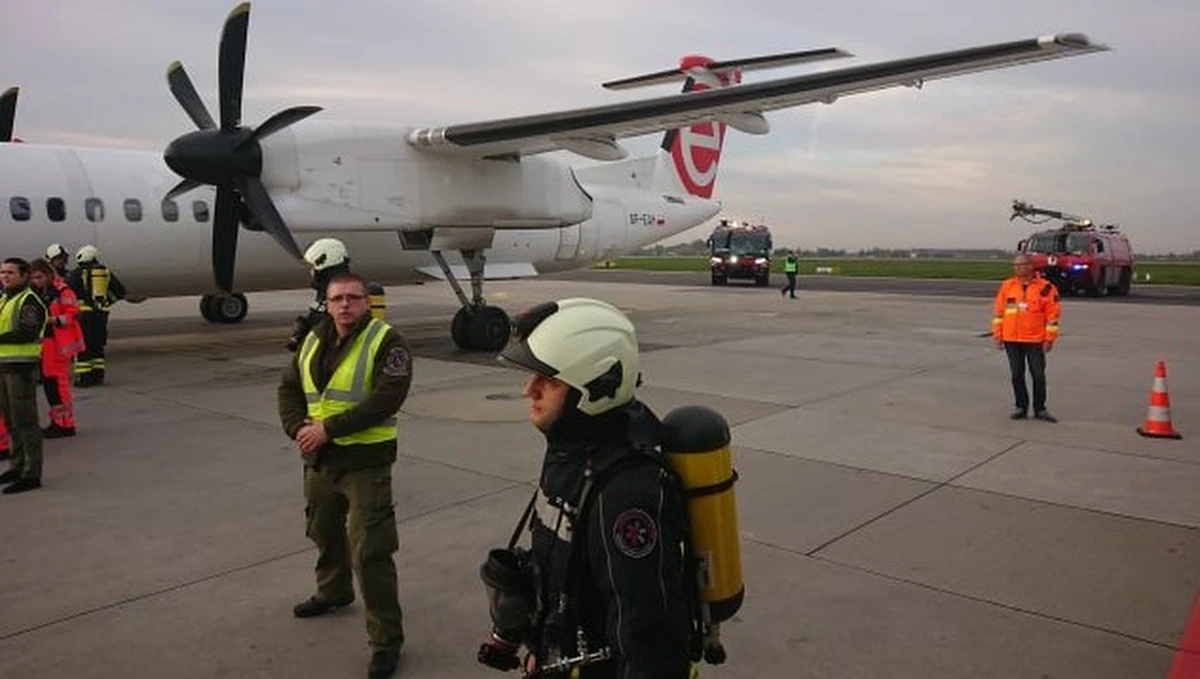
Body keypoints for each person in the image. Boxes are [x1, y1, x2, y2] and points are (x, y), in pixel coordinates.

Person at [480, 297, 693, 678]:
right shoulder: (572, 452)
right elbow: (562, 558)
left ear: (594, 386)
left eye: (548, 380)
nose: (530, 390)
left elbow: (645, 629)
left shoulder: (625, 492)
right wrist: (540, 645)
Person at [276, 271, 412, 679]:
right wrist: (297, 427)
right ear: (328, 303)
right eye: (338, 299)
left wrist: (327, 429)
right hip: (320, 460)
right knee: (322, 530)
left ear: (366, 302)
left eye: (354, 297)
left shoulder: (388, 342)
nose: (345, 305)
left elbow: (388, 397)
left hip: (365, 463)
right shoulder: (313, 339)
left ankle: (386, 641)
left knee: (371, 550)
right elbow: (288, 387)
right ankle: (333, 591)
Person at [0, 257, 48, 494]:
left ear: (25, 275)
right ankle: (17, 465)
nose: (5, 276)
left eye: (10, 272)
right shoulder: (5, 299)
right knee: (11, 421)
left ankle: (32, 473)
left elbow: (26, 332)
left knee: (25, 422)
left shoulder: (29, 300)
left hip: (21, 368)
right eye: (2, 272)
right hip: (5, 367)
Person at [993, 254, 1060, 422]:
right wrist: (998, 335)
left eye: (1021, 265)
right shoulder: (1007, 286)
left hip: (1035, 340)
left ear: (1031, 266)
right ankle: (1021, 406)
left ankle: (1040, 408)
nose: (1018, 268)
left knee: (1038, 374)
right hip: (1012, 339)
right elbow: (999, 313)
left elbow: (1052, 315)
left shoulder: (1046, 287)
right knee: (1017, 374)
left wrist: (1049, 338)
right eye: (1015, 265)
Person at [30, 258, 85, 437]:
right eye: (33, 278)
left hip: (59, 343)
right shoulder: (42, 292)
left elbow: (73, 313)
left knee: (58, 384)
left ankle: (65, 423)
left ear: (47, 274)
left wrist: (53, 320)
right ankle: (57, 420)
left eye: (39, 277)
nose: (36, 281)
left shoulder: (62, 290)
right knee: (49, 384)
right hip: (47, 343)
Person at [67, 245, 126, 387]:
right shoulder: (104, 272)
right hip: (100, 315)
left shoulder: (75, 274)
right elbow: (121, 291)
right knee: (97, 346)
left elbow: (67, 293)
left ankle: (84, 378)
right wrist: (106, 302)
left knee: (83, 348)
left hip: (83, 317)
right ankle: (98, 376)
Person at [287, 238, 352, 353]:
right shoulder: (324, 295)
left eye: (314, 268)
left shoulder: (344, 299)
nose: (311, 272)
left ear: (325, 269)